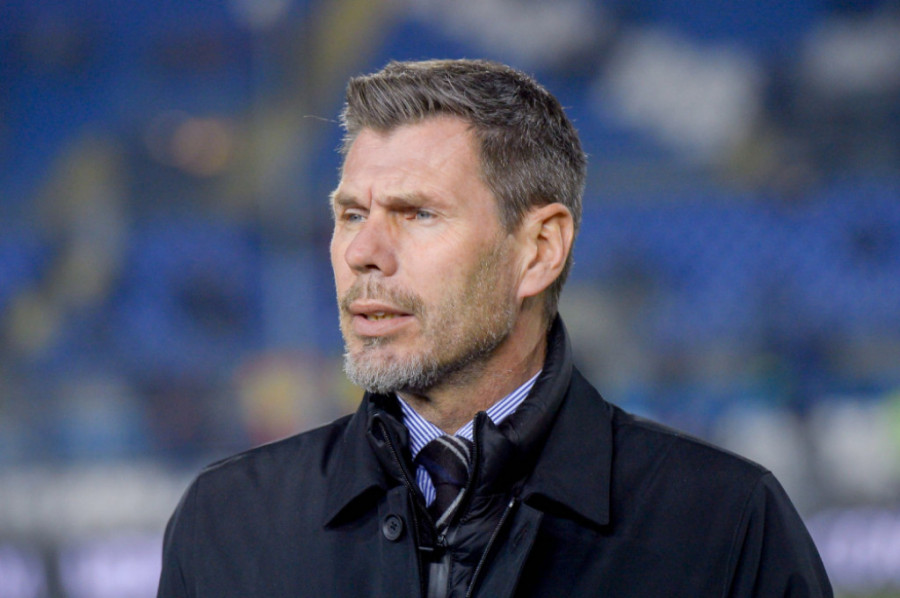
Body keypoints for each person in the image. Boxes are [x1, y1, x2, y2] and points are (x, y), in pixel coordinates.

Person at [157, 59, 832, 598]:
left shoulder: (725, 523)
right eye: (351, 214)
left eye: (417, 214)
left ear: (538, 250)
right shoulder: (227, 519)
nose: (363, 251)